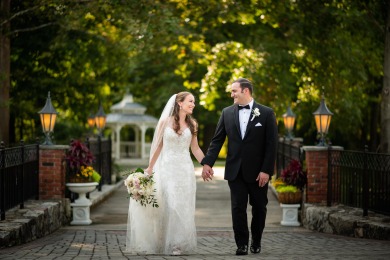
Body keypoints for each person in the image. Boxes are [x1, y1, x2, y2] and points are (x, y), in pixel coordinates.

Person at [201, 78, 278, 256]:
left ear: (246, 91)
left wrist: (266, 170)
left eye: (234, 91)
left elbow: (271, 144)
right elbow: (217, 140)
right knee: (237, 208)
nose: (231, 94)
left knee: (259, 207)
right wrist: (207, 163)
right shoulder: (226, 113)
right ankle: (242, 244)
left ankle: (256, 241)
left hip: (259, 173)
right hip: (235, 171)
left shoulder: (266, 113)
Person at [126, 91, 206, 256]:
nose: (193, 104)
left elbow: (195, 148)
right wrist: (149, 168)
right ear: (180, 103)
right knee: (170, 204)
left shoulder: (193, 125)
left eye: (194, 102)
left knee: (182, 206)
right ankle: (165, 241)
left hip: (185, 169)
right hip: (167, 168)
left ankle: (178, 243)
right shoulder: (165, 122)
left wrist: (206, 164)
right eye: (190, 101)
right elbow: (158, 146)